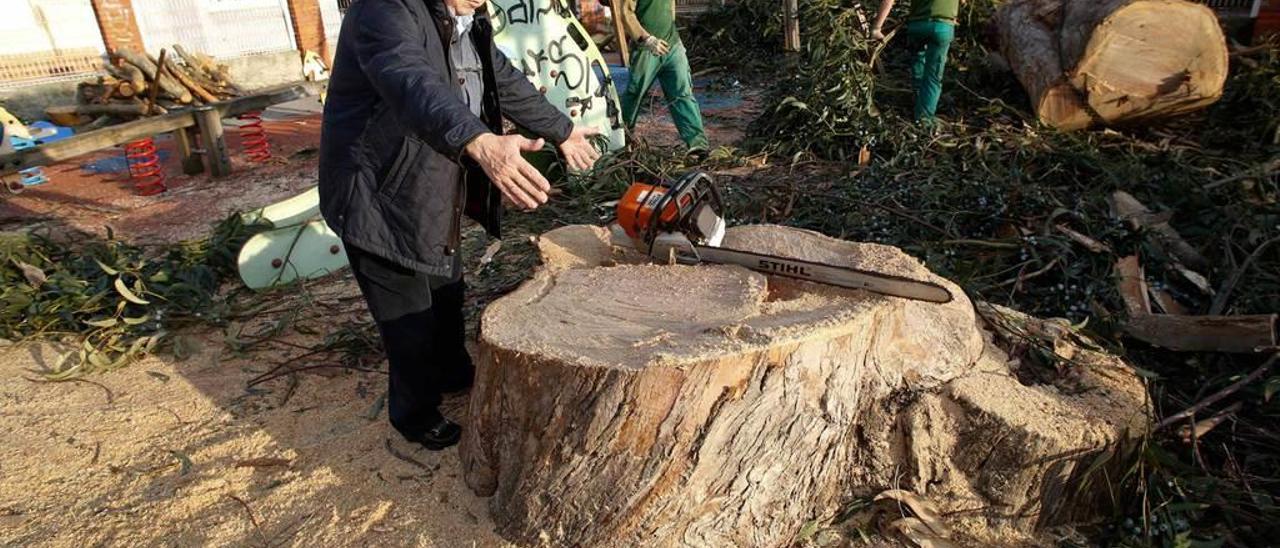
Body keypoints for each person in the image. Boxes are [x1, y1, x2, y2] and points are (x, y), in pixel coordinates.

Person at [320, 0, 601, 450]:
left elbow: (500, 78)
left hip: (430, 182)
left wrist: (561, 129)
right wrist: (480, 141)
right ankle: (414, 413)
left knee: (447, 288)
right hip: (376, 192)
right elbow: (411, 81)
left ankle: (451, 371)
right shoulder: (383, 10)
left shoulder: (465, 17)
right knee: (407, 315)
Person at [618, 0, 709, 158]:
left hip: (672, 46)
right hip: (646, 49)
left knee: (682, 93)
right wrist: (646, 39)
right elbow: (626, 13)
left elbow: (670, 8)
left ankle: (697, 144)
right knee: (634, 94)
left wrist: (676, 39)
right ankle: (622, 140)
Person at [871, 0, 958, 124]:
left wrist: (876, 27)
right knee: (933, 77)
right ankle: (924, 121)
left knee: (918, 65)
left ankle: (917, 102)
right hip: (942, 26)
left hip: (917, 26)